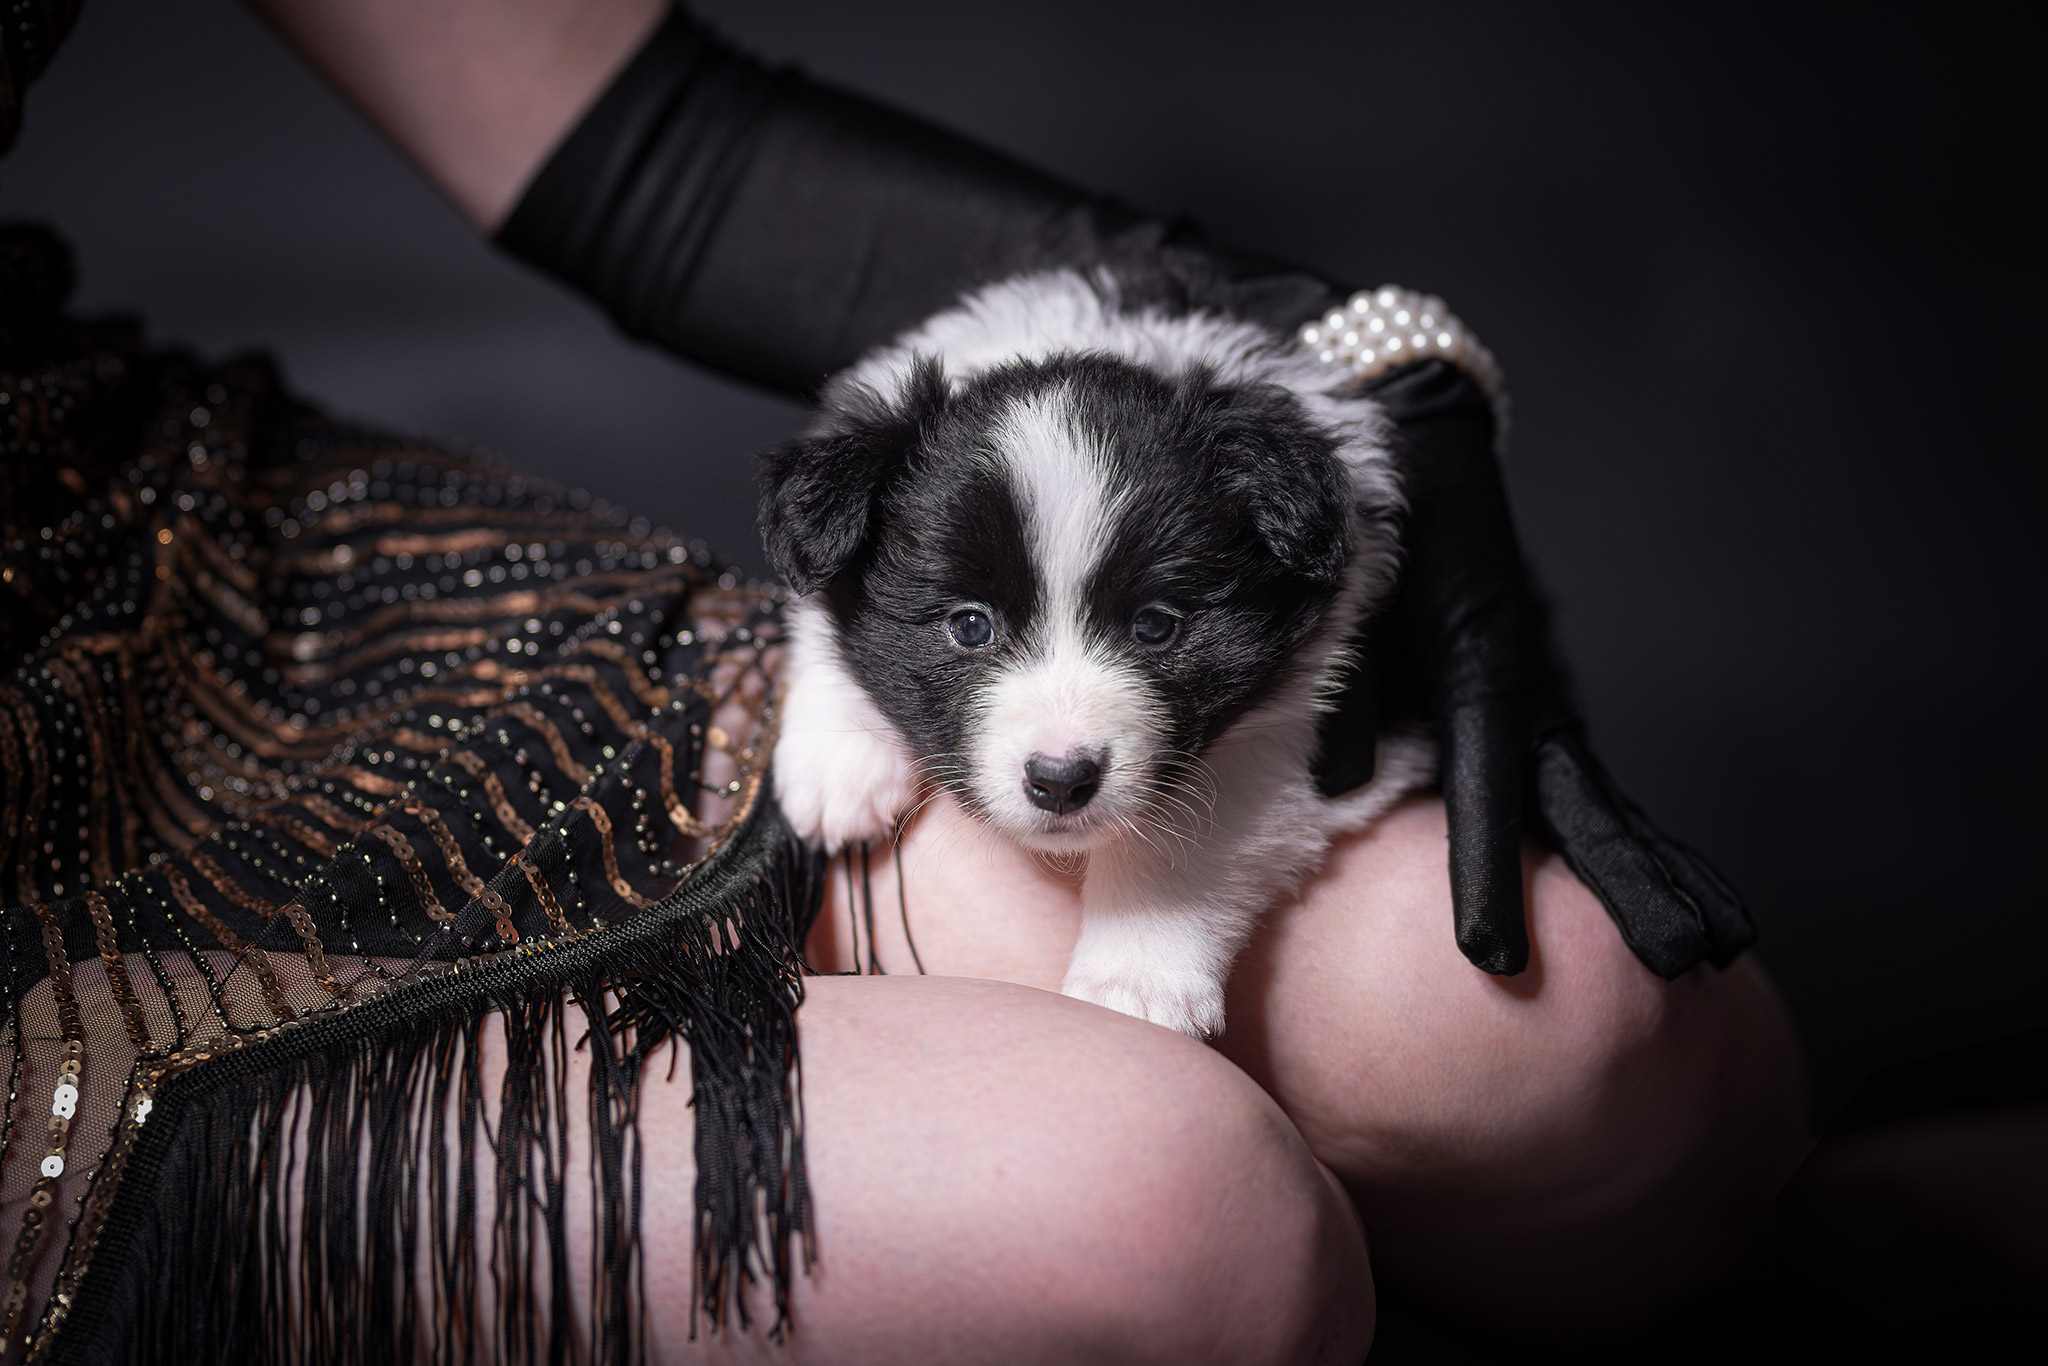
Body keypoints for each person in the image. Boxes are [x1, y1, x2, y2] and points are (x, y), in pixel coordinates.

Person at [0, 2, 1803, 1361]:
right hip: (48, 885)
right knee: (1174, 1231)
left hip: (263, 581)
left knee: (1567, 1041)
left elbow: (656, 153)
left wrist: (1317, 342)